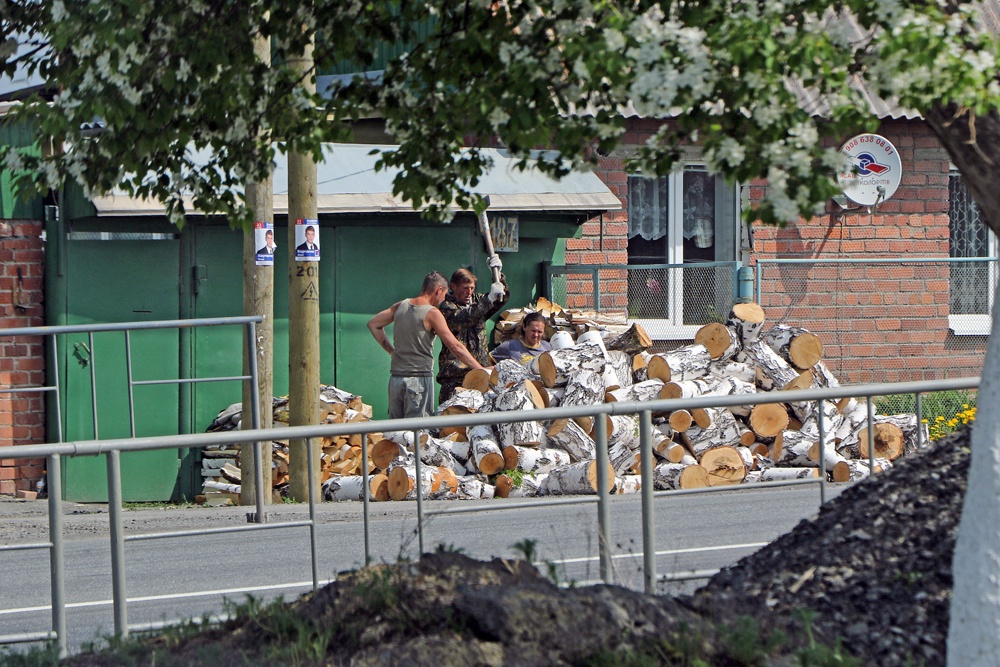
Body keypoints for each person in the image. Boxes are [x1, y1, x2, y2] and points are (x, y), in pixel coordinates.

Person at [368, 271, 485, 419]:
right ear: (438, 291)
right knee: (418, 434)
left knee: (396, 434)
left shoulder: (401, 306)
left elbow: (373, 324)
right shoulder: (433, 313)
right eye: (444, 294)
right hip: (418, 381)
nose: (444, 299)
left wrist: (392, 351)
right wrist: (480, 369)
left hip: (396, 380)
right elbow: (456, 347)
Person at [436, 256, 509, 403]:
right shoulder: (446, 307)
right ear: (453, 286)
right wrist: (488, 299)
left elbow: (502, 299)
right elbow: (464, 318)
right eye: (465, 288)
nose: (469, 292)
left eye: (471, 288)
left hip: (479, 374)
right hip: (455, 377)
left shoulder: (477, 301)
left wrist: (499, 278)